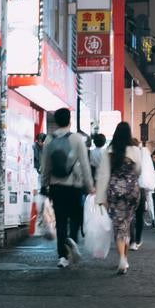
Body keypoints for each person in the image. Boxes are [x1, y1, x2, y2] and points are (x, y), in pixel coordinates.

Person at [40, 107, 93, 269]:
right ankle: (72, 243)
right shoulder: (77, 139)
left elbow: (45, 166)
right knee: (75, 218)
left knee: (61, 221)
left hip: (56, 187)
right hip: (74, 186)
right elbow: (85, 164)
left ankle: (62, 256)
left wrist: (44, 184)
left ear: (56, 122)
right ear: (70, 120)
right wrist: (89, 185)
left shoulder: (49, 139)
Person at [95, 122, 145, 275]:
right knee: (127, 223)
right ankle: (125, 258)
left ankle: (122, 258)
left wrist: (101, 197)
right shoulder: (135, 150)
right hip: (132, 191)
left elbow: (103, 174)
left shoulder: (109, 150)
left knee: (118, 225)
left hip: (115, 190)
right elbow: (139, 170)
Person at [130, 141, 155, 250]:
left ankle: (132, 240)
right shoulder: (143, 153)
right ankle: (137, 240)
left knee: (130, 216)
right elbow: (145, 172)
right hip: (140, 188)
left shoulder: (128, 153)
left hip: (129, 188)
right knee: (139, 215)